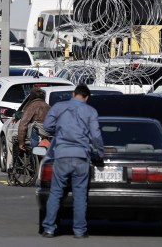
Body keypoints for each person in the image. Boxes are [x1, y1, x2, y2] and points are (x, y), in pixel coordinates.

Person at [40, 84, 104, 239]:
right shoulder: (90, 111)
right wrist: (100, 153)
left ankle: (49, 229)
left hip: (61, 155)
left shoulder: (59, 107)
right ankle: (80, 231)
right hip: (81, 156)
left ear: (73, 94)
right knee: (80, 195)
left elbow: (47, 126)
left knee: (56, 193)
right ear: (87, 98)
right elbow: (96, 136)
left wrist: (61, 130)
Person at [17, 87, 50, 151]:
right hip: (48, 133)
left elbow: (23, 124)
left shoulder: (32, 106)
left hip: (37, 132)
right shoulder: (48, 106)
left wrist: (21, 142)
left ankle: (35, 151)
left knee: (33, 128)